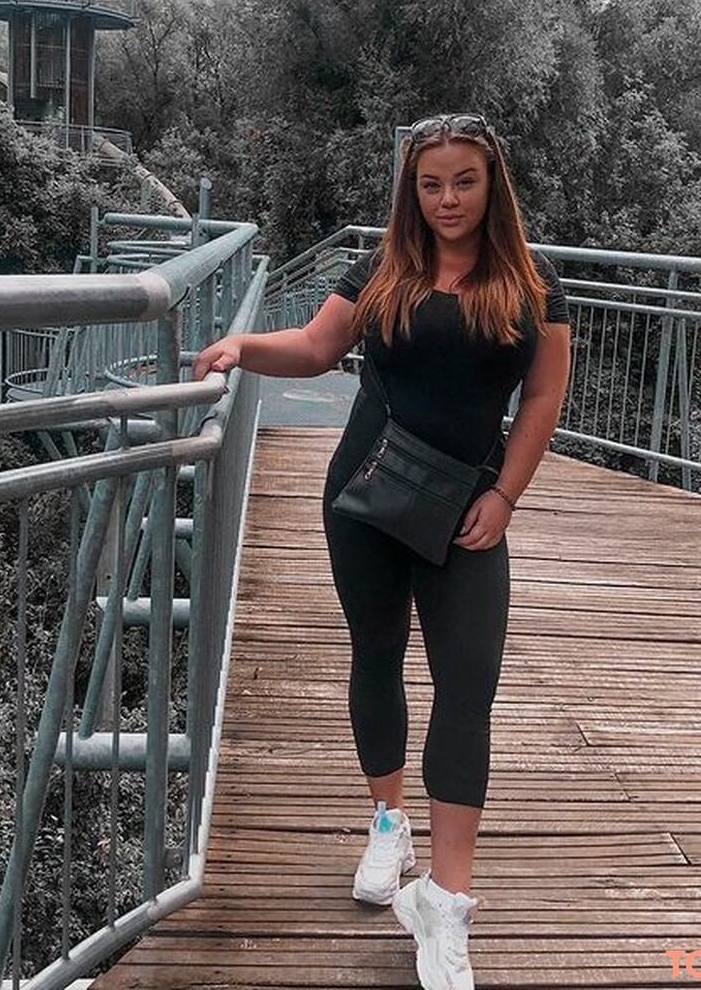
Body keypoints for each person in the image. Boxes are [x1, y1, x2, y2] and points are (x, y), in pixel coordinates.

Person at [192, 113, 572, 990]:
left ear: (493, 184)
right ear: (412, 189)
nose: (447, 199)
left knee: (468, 684)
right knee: (376, 655)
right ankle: (389, 825)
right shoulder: (384, 266)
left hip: (469, 508)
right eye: (430, 184)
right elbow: (317, 346)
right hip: (363, 494)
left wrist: (505, 496)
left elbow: (543, 397)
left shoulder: (533, 281)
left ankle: (446, 901)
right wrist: (242, 346)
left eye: (464, 181)